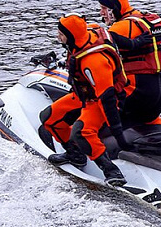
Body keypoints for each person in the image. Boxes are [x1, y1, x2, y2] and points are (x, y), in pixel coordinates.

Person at [39, 14, 127, 186]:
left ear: (71, 36)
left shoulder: (93, 61)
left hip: (101, 100)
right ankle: (75, 155)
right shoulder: (81, 39)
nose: (58, 37)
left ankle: (111, 171)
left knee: (81, 132)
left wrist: (117, 130)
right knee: (49, 118)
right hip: (84, 95)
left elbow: (107, 97)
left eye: (61, 34)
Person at [97, 0, 161, 133]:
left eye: (103, 8)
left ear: (113, 8)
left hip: (138, 91)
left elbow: (97, 47)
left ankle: (80, 151)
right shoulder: (152, 20)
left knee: (96, 117)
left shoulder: (121, 27)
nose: (101, 13)